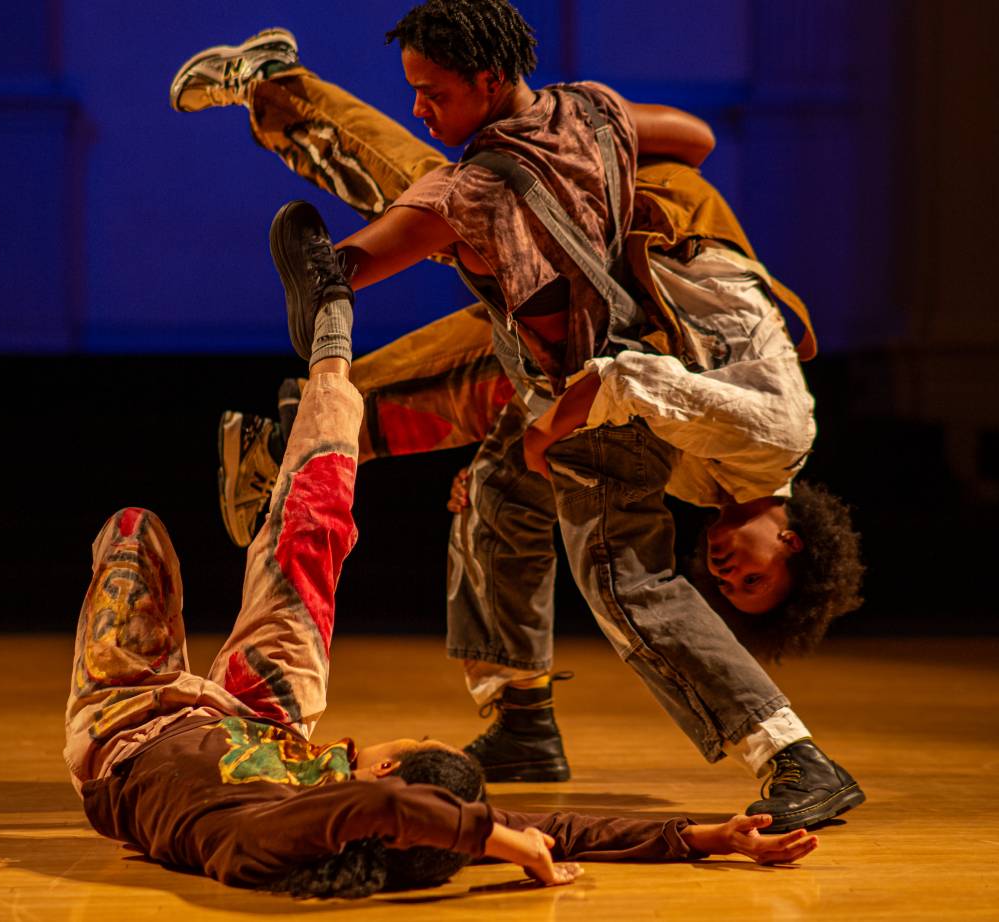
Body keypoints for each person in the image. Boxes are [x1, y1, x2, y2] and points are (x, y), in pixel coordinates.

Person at [169, 0, 864, 833]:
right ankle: (794, 754)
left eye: (730, 590)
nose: (725, 572)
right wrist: (546, 426)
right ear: (791, 536)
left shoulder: (703, 483)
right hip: (626, 278)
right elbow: (644, 383)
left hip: (583, 314)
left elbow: (694, 145)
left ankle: (522, 718)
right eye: (752, 576)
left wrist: (518, 445)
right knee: (466, 208)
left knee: (502, 484)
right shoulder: (779, 433)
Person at [65, 203, 820, 897]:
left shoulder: (254, 842)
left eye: (412, 744)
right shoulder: (337, 792)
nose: (380, 741)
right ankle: (331, 339)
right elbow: (556, 828)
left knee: (135, 532)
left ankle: (314, 392)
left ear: (393, 777)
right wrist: (696, 836)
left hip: (126, 730)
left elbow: (385, 807)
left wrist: (491, 839)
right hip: (264, 721)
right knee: (312, 538)